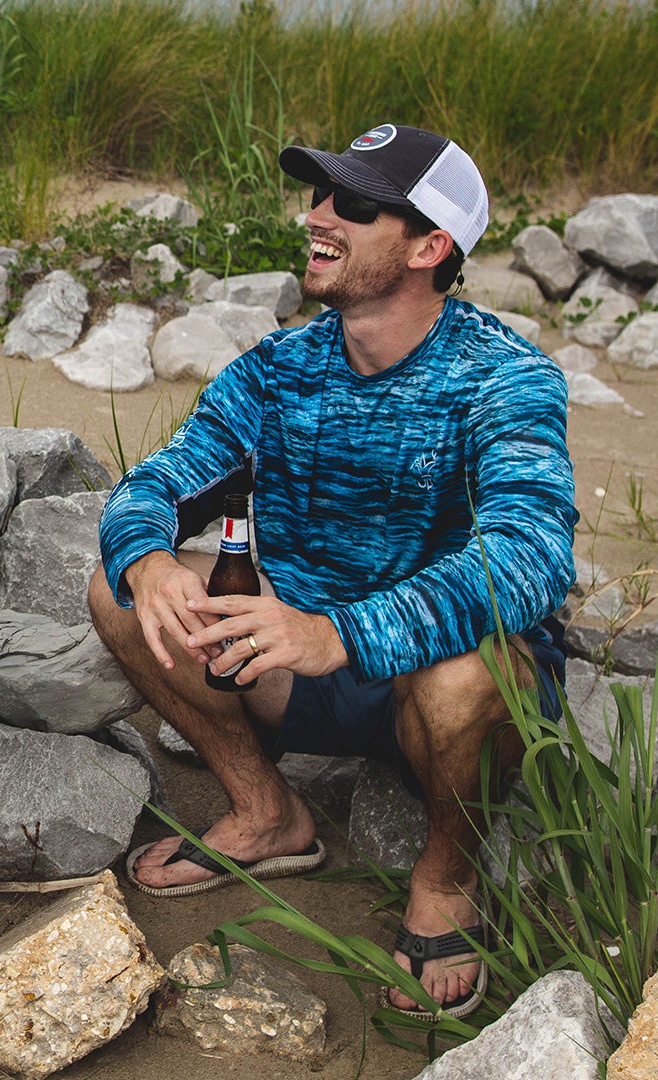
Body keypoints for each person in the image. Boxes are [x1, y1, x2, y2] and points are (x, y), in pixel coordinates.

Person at [88, 122, 577, 1022]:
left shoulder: (505, 380)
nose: (317, 216)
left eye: (354, 204)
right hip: (301, 670)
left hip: (436, 696)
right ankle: (269, 810)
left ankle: (447, 879)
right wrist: (149, 556)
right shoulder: (278, 369)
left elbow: (533, 555)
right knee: (118, 588)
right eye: (319, 195)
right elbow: (157, 480)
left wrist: (340, 632)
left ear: (432, 245)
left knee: (467, 673)